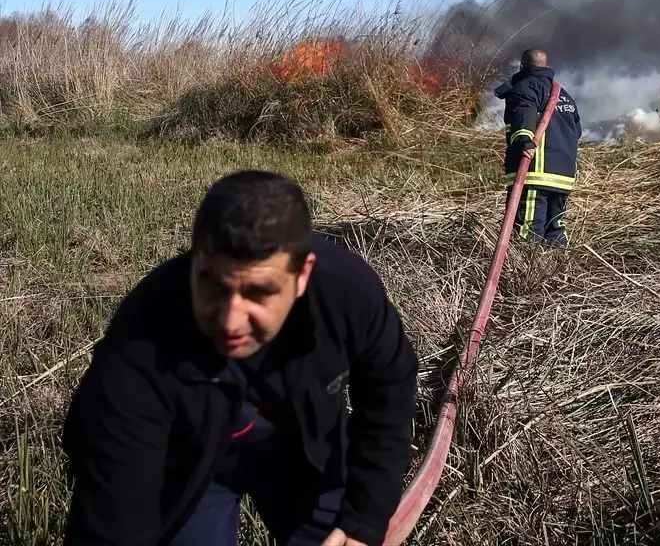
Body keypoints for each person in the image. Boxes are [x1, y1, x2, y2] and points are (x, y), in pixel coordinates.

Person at [59, 170, 420, 546]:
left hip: (303, 451)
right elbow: (114, 515)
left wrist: (364, 520)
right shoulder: (142, 338)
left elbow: (389, 388)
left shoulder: (346, 294)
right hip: (194, 463)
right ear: (194, 263)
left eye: (259, 292)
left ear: (302, 275)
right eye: (214, 285)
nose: (231, 320)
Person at [493, 48, 582, 246]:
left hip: (535, 175)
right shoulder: (564, 95)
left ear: (522, 66)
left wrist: (523, 141)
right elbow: (577, 132)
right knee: (555, 229)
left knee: (527, 232)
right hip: (563, 178)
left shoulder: (526, 88)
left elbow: (523, 116)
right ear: (547, 67)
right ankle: (555, 271)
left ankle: (524, 274)